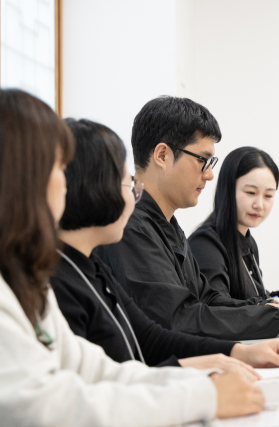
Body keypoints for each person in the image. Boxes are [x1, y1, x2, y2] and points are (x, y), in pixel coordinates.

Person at [0, 88, 264, 425]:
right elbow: (48, 406)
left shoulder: (34, 279)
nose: (63, 183)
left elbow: (101, 370)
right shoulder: (50, 274)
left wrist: (211, 372)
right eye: (57, 167)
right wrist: (203, 392)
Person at [52, 118, 279, 374]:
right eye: (126, 184)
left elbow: (151, 337)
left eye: (269, 195)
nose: (132, 195)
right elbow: (173, 324)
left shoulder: (93, 265)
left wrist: (238, 352)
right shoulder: (126, 236)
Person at [97, 96, 279, 341]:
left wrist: (275, 309)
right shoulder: (130, 226)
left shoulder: (167, 224)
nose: (210, 174)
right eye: (202, 160)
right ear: (162, 155)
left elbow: (209, 301)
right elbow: (179, 319)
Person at [190, 146, 279, 307]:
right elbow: (216, 308)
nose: (259, 205)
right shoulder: (205, 243)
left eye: (268, 195)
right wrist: (274, 305)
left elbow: (253, 295)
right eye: (251, 193)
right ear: (228, 190)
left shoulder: (248, 241)